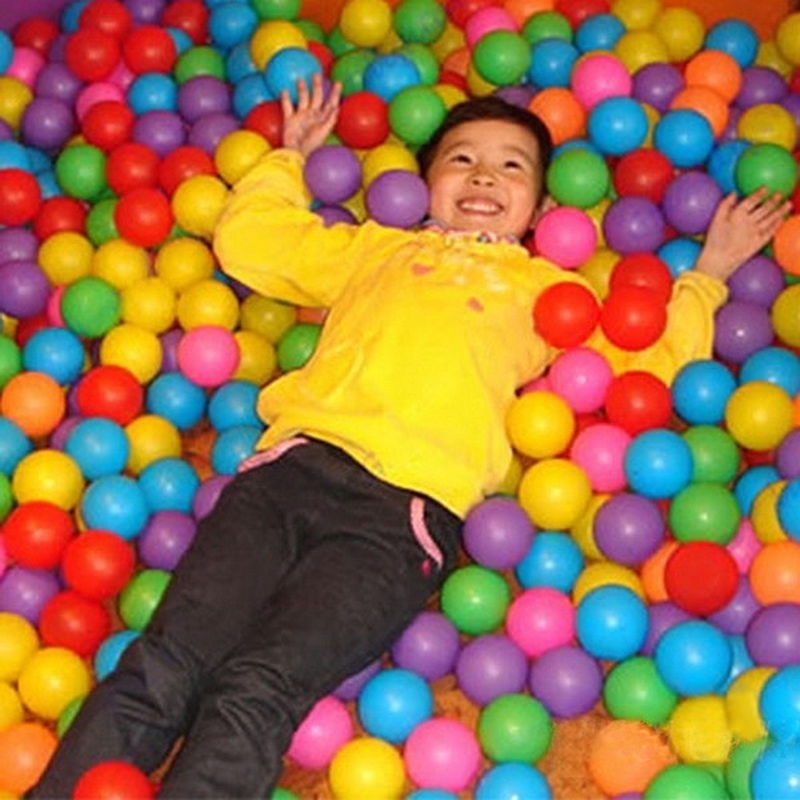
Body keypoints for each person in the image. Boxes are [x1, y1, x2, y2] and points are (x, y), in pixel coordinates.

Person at [31, 75, 790, 798]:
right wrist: (288, 158)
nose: (484, 175)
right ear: (425, 187)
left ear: (542, 209)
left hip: (402, 517)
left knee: (257, 687)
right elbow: (255, 244)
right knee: (163, 663)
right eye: (461, 159)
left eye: (511, 165)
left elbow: (646, 362)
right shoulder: (378, 249)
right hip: (290, 474)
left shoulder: (548, 292)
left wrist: (709, 274)